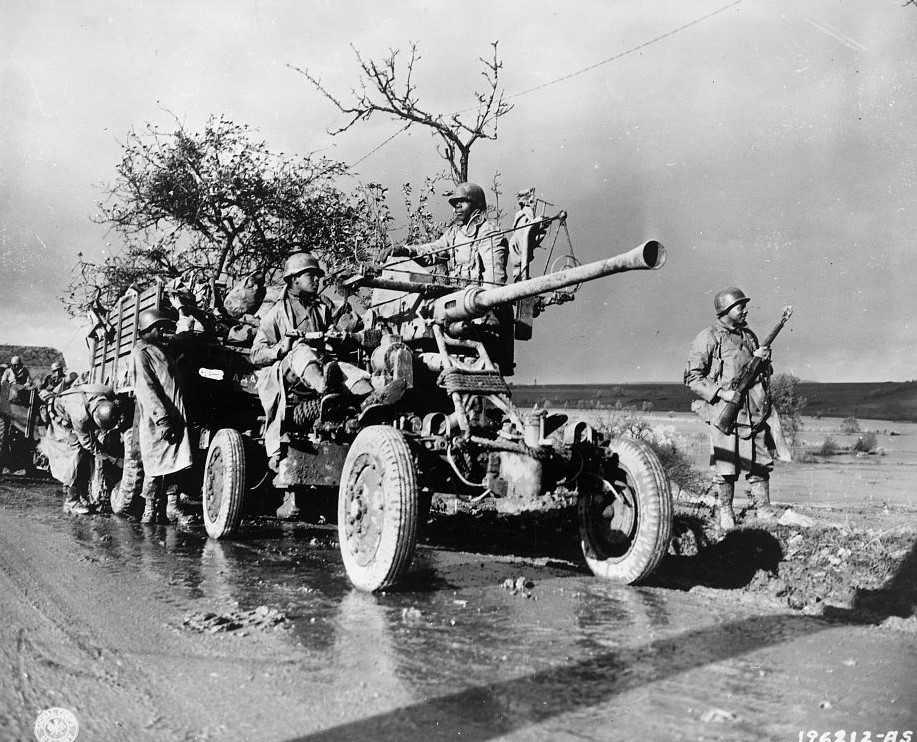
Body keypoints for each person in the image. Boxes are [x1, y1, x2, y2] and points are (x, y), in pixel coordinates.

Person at [251, 251, 377, 518]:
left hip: (323, 368)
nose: (317, 280)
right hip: (289, 376)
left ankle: (372, 402)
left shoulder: (325, 306)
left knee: (346, 370)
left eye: (318, 276)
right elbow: (256, 354)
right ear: (294, 279)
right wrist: (281, 347)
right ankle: (326, 391)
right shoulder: (275, 313)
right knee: (301, 351)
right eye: (311, 275)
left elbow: (352, 325)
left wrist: (342, 334)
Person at [684, 287, 778, 532]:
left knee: (760, 460)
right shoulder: (708, 338)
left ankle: (764, 509)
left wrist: (763, 360)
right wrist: (721, 393)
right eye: (740, 307)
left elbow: (762, 373)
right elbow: (693, 378)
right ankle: (726, 511)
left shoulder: (749, 336)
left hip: (753, 411)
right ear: (726, 310)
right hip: (724, 411)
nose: (745, 310)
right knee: (726, 465)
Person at [131, 308, 194, 524]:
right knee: (155, 465)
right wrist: (162, 418)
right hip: (158, 420)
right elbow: (146, 389)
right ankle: (150, 510)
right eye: (158, 327)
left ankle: (173, 508)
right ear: (147, 329)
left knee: (175, 462)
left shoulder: (160, 350)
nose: (162, 331)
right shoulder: (142, 353)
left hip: (174, 417)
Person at [386, 182, 508, 288]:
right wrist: (405, 251)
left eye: (463, 201)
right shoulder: (453, 233)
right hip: (458, 299)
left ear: (476, 204)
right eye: (455, 203)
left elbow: (494, 278)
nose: (457, 206)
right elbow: (433, 250)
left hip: (480, 305)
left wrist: (484, 305)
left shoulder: (488, 232)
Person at [46, 383, 120, 515]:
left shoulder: (107, 392)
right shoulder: (80, 416)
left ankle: (83, 495)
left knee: (87, 454)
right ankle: (71, 502)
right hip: (61, 416)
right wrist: (112, 459)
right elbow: (88, 444)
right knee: (77, 454)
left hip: (76, 405)